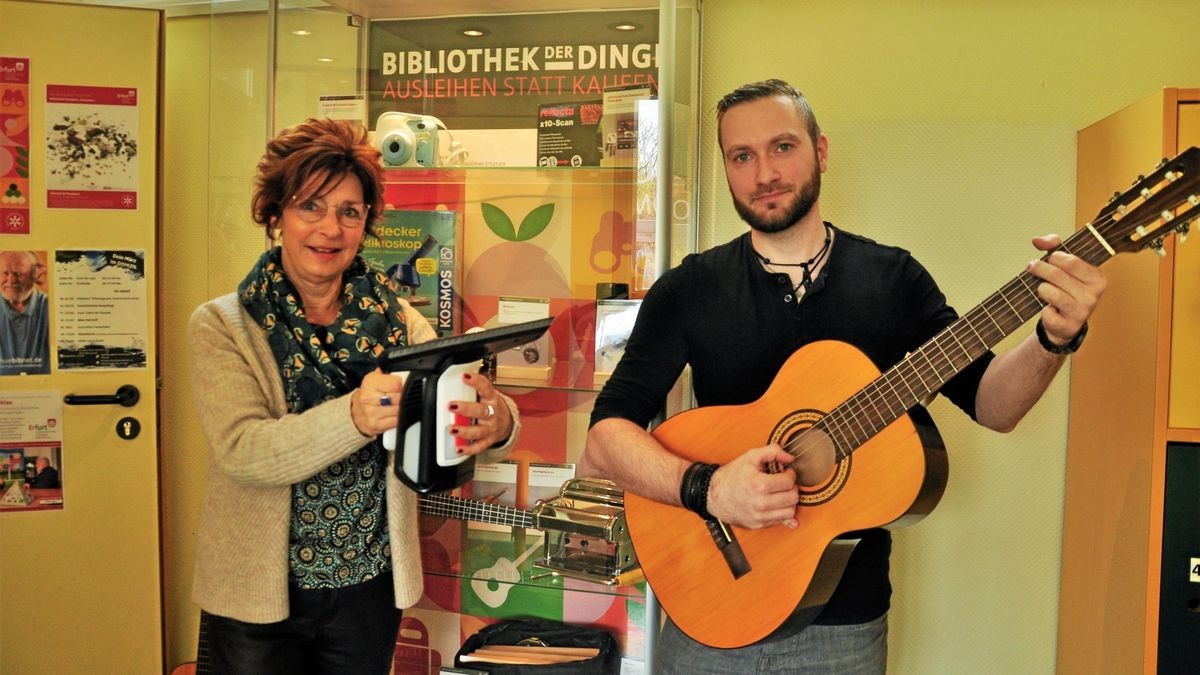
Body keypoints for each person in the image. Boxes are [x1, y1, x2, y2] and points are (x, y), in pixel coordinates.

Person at [578, 79, 1106, 673]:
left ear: (820, 152)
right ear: (727, 170)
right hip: (706, 616)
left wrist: (1054, 337)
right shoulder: (690, 288)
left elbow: (993, 405)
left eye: (782, 147)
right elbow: (605, 437)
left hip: (843, 631)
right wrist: (709, 487)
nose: (763, 173)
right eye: (741, 156)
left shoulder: (892, 279)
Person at [188, 118, 520, 674]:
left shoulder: (394, 316)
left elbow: (453, 386)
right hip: (256, 599)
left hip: (367, 587)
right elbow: (244, 451)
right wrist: (354, 416)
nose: (330, 228)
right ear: (274, 215)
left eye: (349, 211)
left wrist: (499, 418)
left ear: (366, 222)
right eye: (309, 206)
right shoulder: (223, 326)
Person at [0, 250, 50, 375]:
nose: (10, 280)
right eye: (4, 273)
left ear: (35, 275)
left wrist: (53, 286)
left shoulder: (49, 304)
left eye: (18, 273)